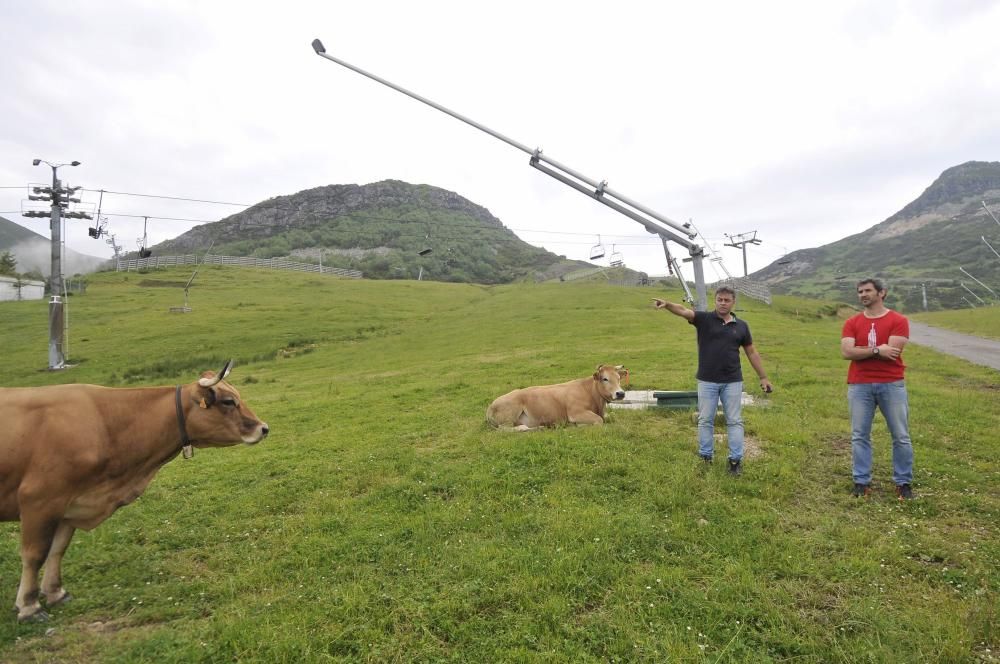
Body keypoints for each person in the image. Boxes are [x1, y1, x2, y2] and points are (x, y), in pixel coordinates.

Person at [653, 287, 773, 475]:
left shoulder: (742, 326)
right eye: (719, 300)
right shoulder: (704, 319)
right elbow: (684, 311)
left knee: (734, 421)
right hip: (707, 381)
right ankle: (705, 457)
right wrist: (667, 305)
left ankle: (735, 461)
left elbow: (751, 352)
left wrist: (763, 377)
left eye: (726, 300)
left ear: (733, 302)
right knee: (705, 420)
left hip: (732, 381)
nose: (723, 303)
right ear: (715, 301)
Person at [840, 278, 914, 500]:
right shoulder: (852, 322)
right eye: (860, 291)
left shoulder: (898, 320)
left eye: (868, 290)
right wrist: (875, 351)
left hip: (891, 383)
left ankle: (903, 483)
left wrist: (863, 350)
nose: (863, 294)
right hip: (859, 384)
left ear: (882, 293)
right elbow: (846, 352)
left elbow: (892, 352)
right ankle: (861, 482)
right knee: (859, 435)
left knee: (900, 435)